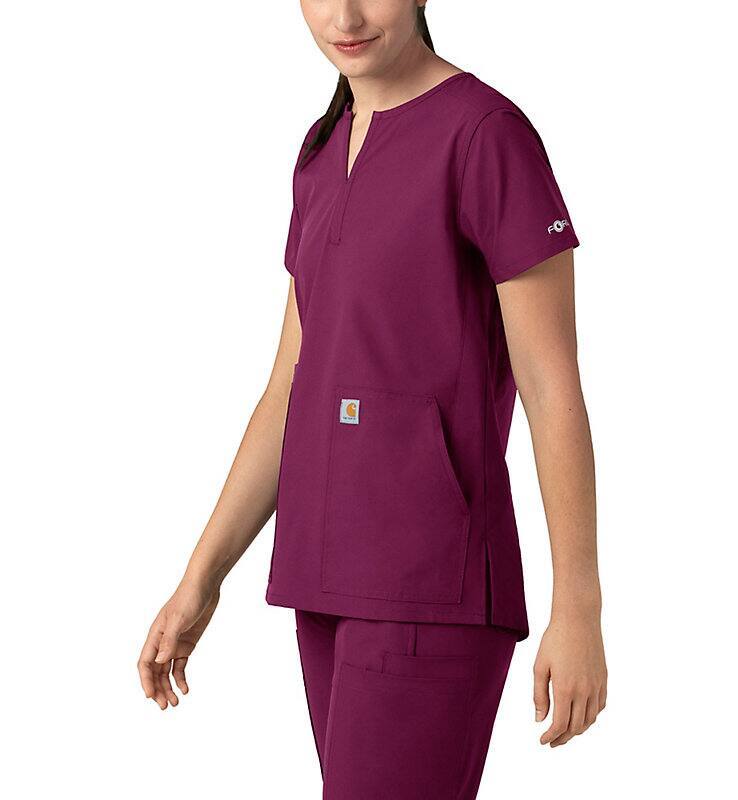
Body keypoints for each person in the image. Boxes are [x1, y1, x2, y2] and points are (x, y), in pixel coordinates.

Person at [137, 2, 607, 797]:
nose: (345, 15)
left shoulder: (486, 135)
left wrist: (579, 607)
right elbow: (290, 388)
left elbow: (551, 383)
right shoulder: (321, 149)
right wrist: (201, 577)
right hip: (321, 576)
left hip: (430, 581)